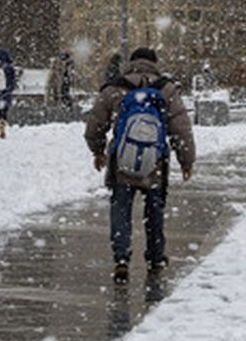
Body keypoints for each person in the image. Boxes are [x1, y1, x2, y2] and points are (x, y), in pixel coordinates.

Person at [84, 47, 196, 284]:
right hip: (154, 162)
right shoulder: (167, 89)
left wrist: (98, 151)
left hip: (121, 161)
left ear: (131, 62)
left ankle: (122, 258)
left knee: (121, 209)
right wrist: (186, 161)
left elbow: (95, 125)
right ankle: (155, 257)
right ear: (155, 63)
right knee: (154, 210)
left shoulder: (115, 88)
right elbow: (181, 130)